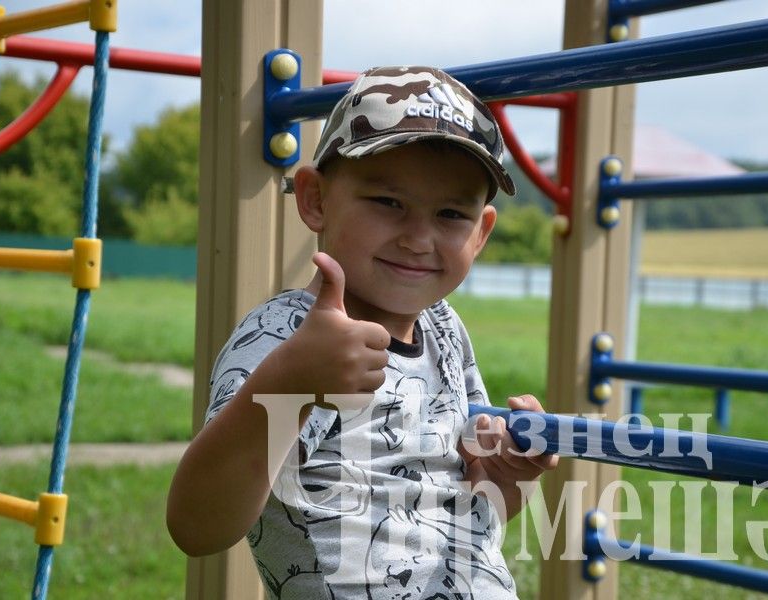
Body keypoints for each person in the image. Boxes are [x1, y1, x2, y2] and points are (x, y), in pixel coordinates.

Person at [167, 65, 558, 599]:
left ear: (481, 232)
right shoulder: (286, 339)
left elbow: (472, 514)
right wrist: (290, 386)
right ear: (315, 200)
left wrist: (509, 476)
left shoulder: (445, 329)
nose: (419, 239)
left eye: (450, 214)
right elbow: (197, 526)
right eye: (388, 203)